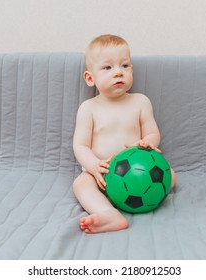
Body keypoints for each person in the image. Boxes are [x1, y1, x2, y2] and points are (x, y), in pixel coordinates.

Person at [72, 34, 176, 234]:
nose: (118, 73)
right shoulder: (88, 108)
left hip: (140, 174)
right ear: (90, 78)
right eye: (107, 67)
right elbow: (80, 146)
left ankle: (147, 196)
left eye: (125, 66)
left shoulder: (140, 102)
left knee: (170, 175)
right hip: (102, 177)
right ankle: (108, 213)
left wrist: (146, 143)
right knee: (81, 183)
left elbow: (152, 132)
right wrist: (93, 166)